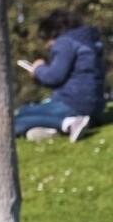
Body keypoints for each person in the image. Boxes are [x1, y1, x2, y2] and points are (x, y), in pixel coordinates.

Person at [15, 9, 107, 143]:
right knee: (26, 112)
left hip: (72, 105)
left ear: (53, 33)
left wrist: (38, 69)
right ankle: (54, 128)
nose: (48, 46)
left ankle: (68, 123)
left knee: (17, 119)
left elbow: (54, 77)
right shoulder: (89, 42)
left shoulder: (65, 42)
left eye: (47, 40)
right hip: (94, 110)